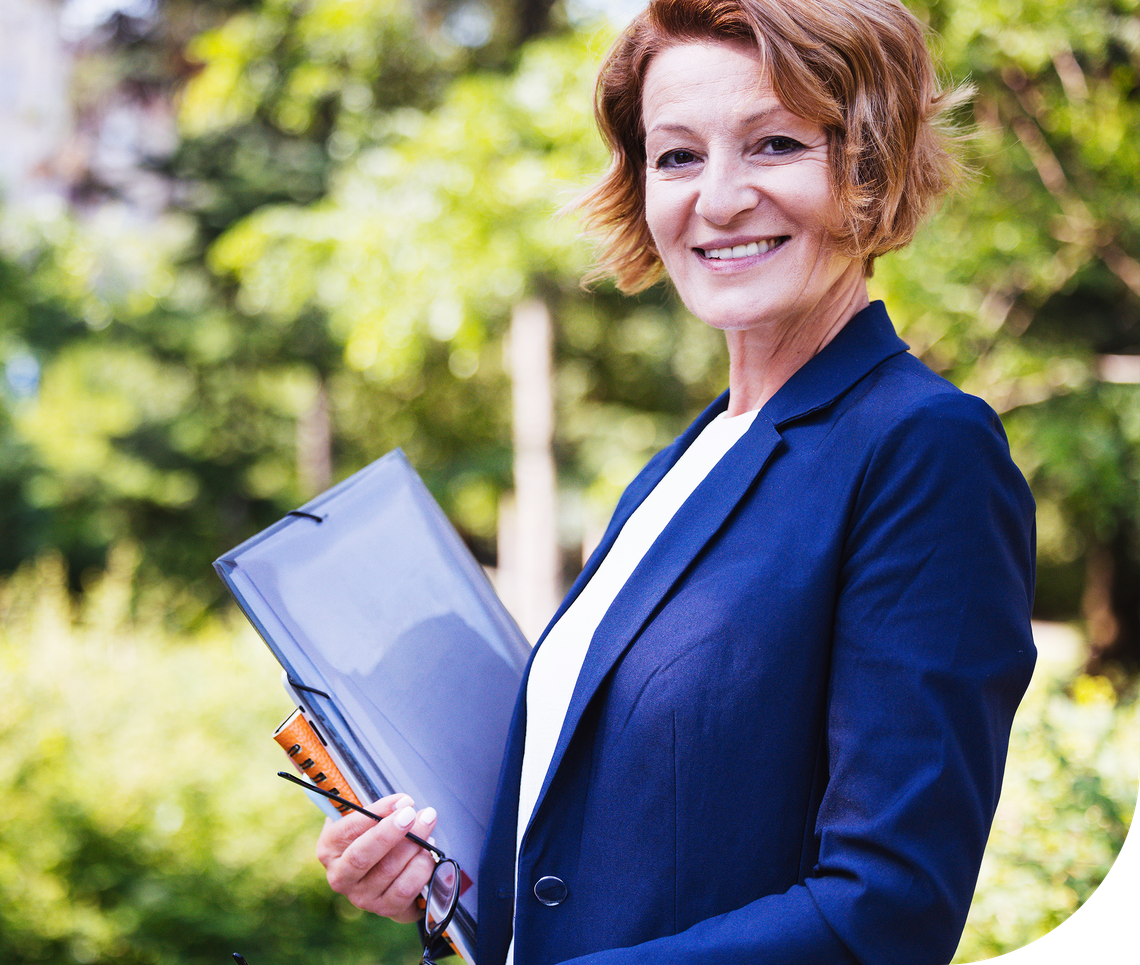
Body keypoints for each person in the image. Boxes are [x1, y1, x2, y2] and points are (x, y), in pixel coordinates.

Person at [316, 1, 1038, 963]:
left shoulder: (924, 448)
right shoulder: (682, 463)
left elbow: (889, 909)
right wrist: (442, 877)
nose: (722, 198)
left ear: (868, 166)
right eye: (679, 156)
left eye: (775, 143)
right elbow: (623, 836)